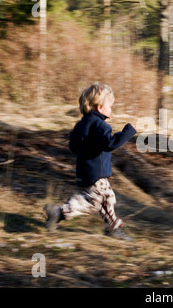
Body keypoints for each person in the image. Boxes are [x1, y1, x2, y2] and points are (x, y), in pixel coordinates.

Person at [44, 83, 137, 240]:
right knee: (95, 200)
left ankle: (112, 227)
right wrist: (128, 131)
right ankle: (60, 212)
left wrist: (86, 153)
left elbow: (73, 146)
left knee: (107, 198)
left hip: (85, 169)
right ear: (100, 107)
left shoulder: (81, 124)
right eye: (110, 106)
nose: (111, 109)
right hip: (97, 172)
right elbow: (110, 144)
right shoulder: (101, 126)